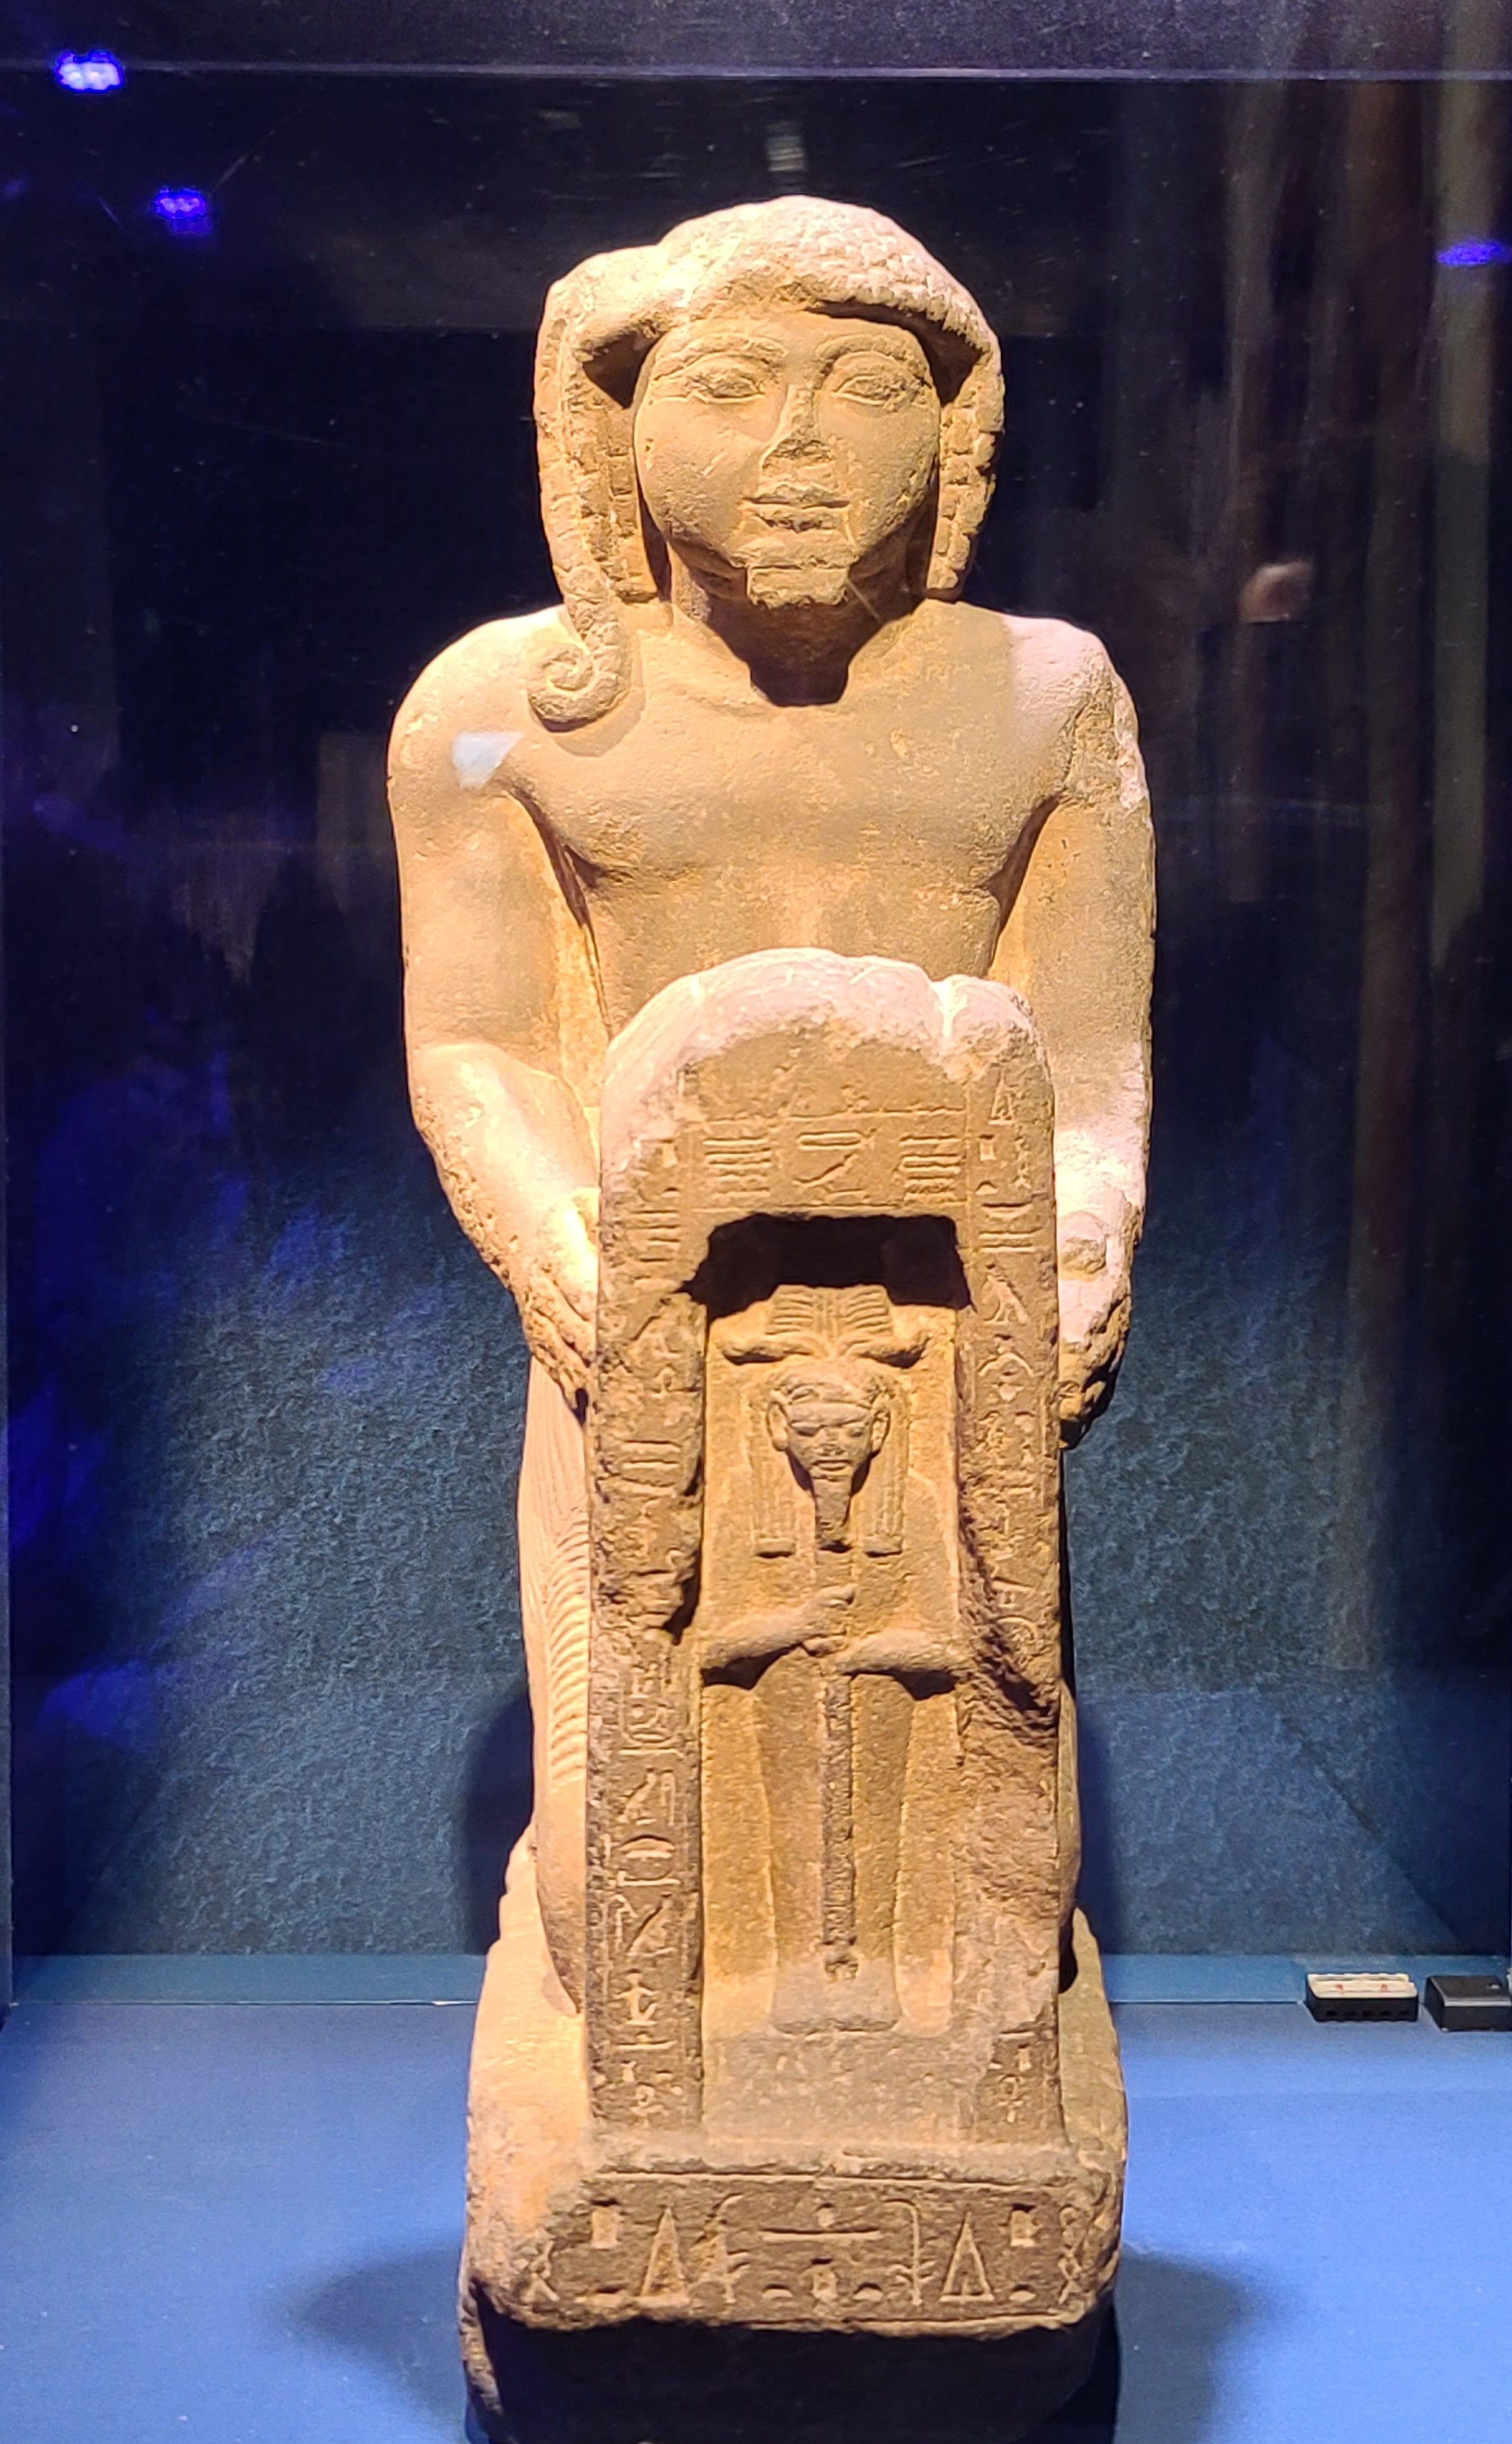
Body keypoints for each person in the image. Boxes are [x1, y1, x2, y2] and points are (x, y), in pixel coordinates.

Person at [389, 198, 1153, 1991]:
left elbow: (1090, 1054)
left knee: (985, 1917)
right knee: (628, 1925)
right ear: (616, 424)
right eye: (730, 386)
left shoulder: (1047, 699)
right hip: (644, 1323)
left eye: (870, 389)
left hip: (949, 1334)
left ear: (956, 438)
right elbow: (478, 1045)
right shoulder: (507, 709)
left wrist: (1088, 1229)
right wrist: (566, 1254)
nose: (801, 446)